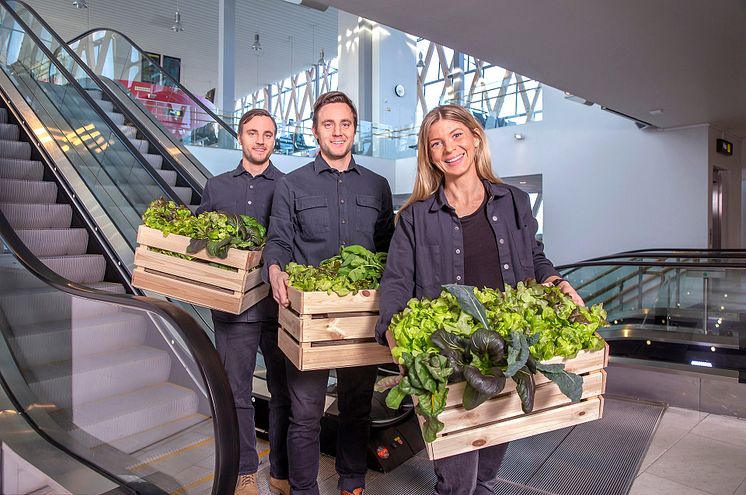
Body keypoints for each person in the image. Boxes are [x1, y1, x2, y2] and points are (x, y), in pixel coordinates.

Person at [375, 104, 584, 495]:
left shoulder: (514, 202)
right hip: (450, 353)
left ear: (475, 138)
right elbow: (398, 282)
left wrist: (556, 282)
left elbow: (535, 257)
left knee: (488, 464)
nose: (449, 148)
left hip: (505, 349)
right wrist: (394, 336)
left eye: (456, 136)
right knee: (457, 479)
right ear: (429, 155)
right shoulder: (416, 217)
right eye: (436, 143)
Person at [263, 91, 395, 495]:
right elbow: (280, 240)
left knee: (356, 406)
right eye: (328, 124)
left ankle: (352, 480)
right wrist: (274, 270)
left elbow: (388, 246)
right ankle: (304, 489)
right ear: (315, 131)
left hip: (362, 317)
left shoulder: (377, 185)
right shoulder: (291, 184)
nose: (337, 132)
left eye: (345, 124)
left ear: (354, 129)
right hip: (310, 318)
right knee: (304, 414)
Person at [196, 109, 290, 495]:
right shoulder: (216, 187)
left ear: (274, 140)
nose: (260, 140)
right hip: (232, 312)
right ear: (240, 137)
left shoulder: (288, 185)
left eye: (268, 134)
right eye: (253, 133)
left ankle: (281, 471)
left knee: (285, 393)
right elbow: (198, 240)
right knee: (237, 394)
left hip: (278, 307)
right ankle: (246, 471)